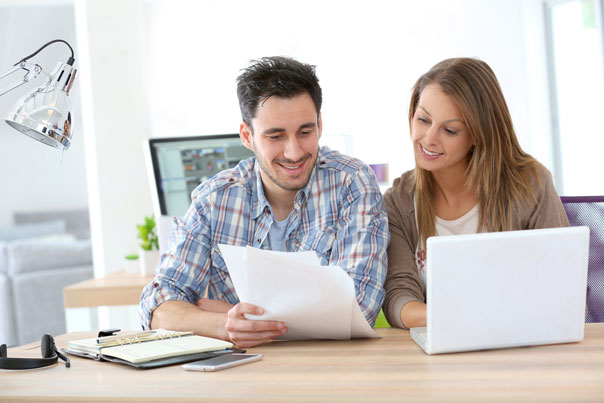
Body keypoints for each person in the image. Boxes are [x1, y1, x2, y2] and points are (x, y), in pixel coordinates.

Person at [139, 56, 389, 347]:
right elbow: (157, 306)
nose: (294, 152)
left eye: (305, 132)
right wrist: (224, 323)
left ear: (320, 124)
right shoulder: (214, 200)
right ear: (247, 135)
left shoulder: (352, 182)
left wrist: (214, 309)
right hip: (241, 377)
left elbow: (359, 308)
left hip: (329, 371)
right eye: (276, 136)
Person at [382, 57, 569, 329]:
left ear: (479, 134)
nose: (429, 138)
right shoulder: (398, 201)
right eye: (423, 119)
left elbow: (561, 288)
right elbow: (400, 296)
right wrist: (461, 318)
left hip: (520, 343)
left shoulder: (530, 184)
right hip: (439, 351)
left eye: (450, 130)